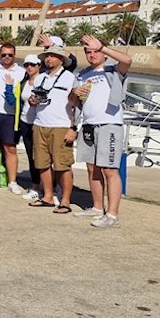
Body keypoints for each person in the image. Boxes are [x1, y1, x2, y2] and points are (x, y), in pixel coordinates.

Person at [72, 34, 132, 228]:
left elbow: (128, 60)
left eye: (96, 51)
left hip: (109, 124)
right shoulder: (83, 75)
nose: (92, 55)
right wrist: (74, 93)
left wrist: (103, 47)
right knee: (92, 168)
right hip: (89, 125)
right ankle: (97, 207)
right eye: (88, 52)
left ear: (104, 53)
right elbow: (73, 102)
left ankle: (112, 215)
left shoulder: (114, 70)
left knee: (110, 170)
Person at [28, 44, 78, 213]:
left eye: (53, 56)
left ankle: (65, 201)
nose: (49, 59)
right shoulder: (40, 77)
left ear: (61, 59)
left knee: (62, 165)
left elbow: (77, 105)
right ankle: (48, 197)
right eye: (47, 56)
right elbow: (35, 98)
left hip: (61, 126)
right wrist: (32, 101)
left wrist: (73, 128)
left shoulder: (70, 78)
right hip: (40, 123)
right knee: (41, 163)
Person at [0, 43, 25, 195]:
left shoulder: (22, 72)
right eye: (3, 55)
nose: (7, 57)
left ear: (14, 55)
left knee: (10, 149)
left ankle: (12, 182)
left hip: (11, 116)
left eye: (10, 54)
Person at [10, 55, 44, 201]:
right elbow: (16, 100)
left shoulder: (44, 81)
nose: (29, 67)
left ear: (39, 66)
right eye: (26, 65)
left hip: (40, 123)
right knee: (31, 156)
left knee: (43, 157)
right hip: (25, 121)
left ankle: (52, 187)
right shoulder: (23, 82)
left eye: (32, 64)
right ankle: (36, 186)